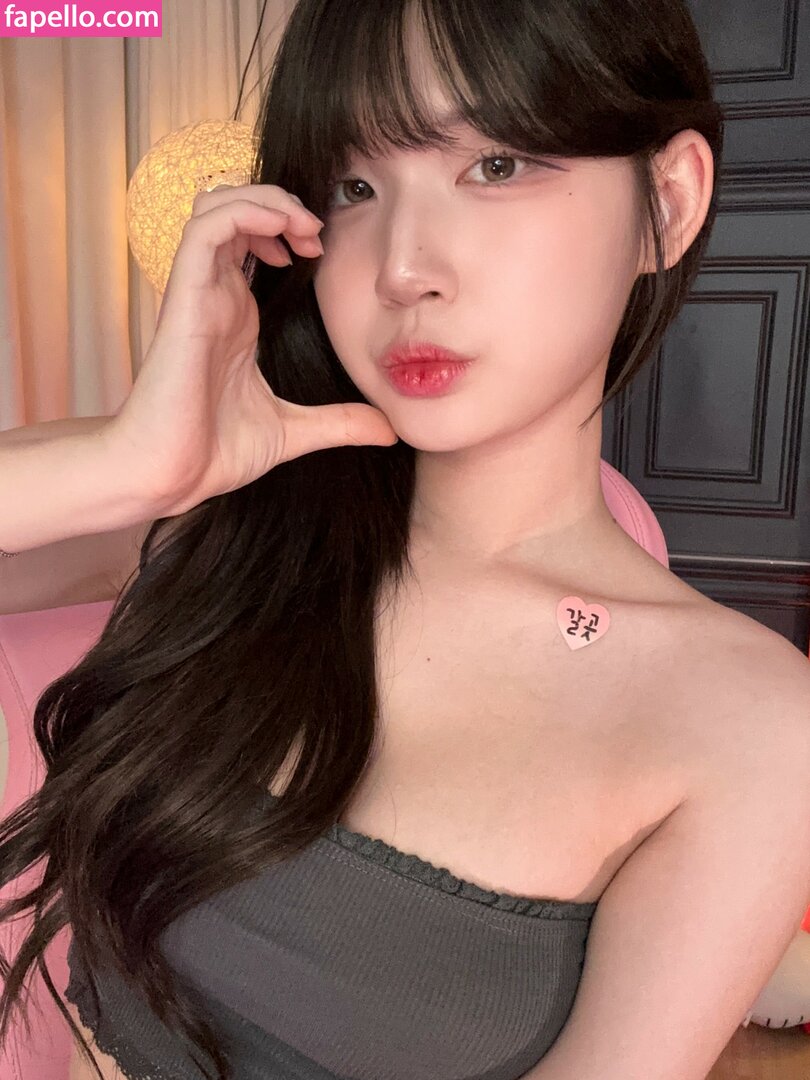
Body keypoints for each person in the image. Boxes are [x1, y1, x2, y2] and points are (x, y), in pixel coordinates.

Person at [2, 0, 810, 1078]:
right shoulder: (230, 527)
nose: (402, 269)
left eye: (497, 164)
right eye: (354, 187)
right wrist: (129, 466)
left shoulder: (749, 723)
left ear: (668, 201)